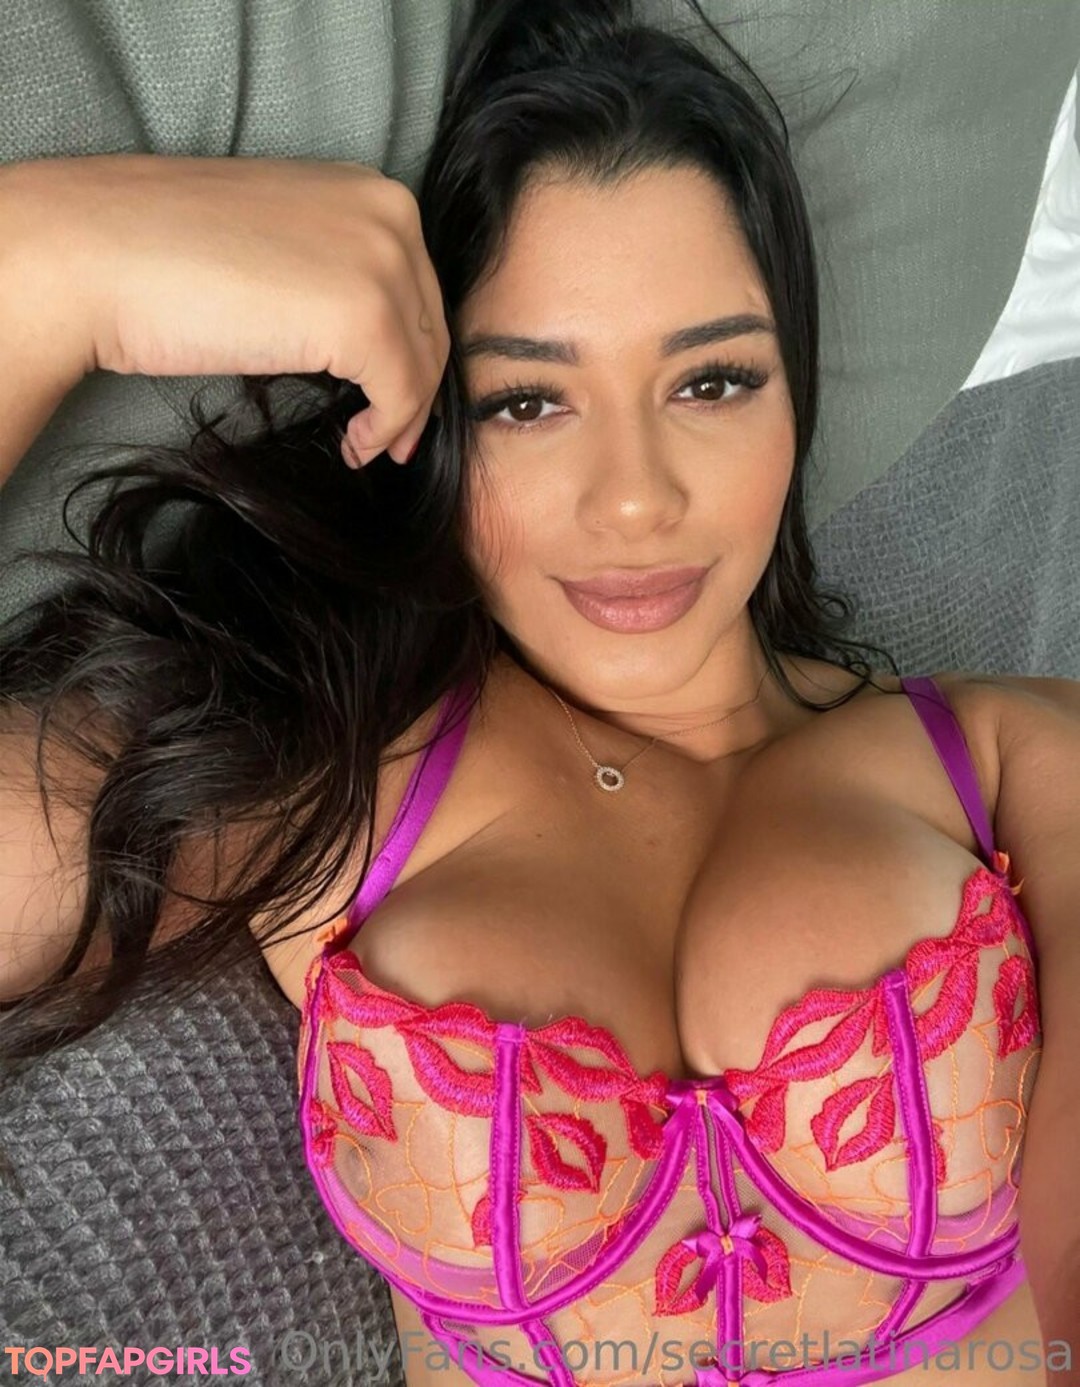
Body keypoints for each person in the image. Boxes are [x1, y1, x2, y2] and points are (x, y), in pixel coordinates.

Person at [1, 1, 1077, 1383]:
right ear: (427, 431)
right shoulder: (318, 773)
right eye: (527, 401)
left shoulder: (1018, 753)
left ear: (795, 398)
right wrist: (49, 277)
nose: (635, 500)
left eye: (713, 382)